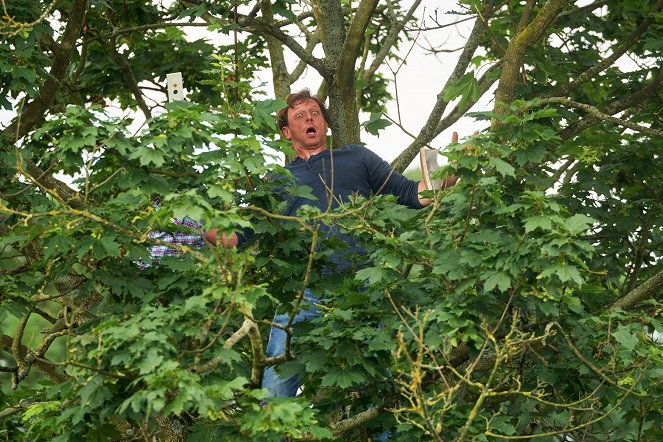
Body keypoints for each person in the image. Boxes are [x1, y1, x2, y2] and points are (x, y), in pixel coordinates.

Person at [205, 89, 459, 398]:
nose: (309, 118)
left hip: (363, 287)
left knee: (384, 388)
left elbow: (413, 194)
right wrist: (195, 216)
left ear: (325, 123)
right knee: (275, 389)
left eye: (314, 113)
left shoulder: (358, 157)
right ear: (287, 132)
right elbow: (234, 237)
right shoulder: (277, 181)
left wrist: (447, 177)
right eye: (299, 116)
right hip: (304, 293)